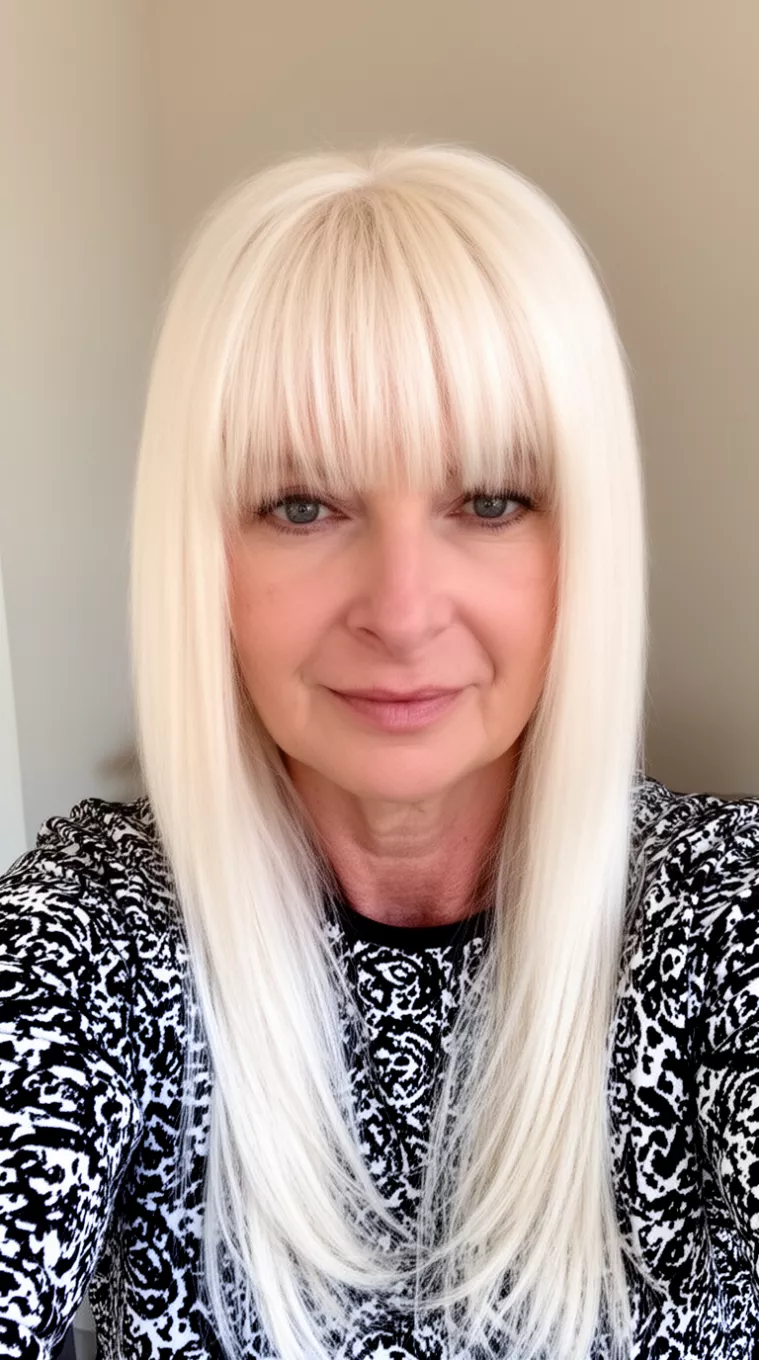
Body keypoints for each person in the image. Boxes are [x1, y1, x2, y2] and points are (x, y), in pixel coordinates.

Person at [0, 144, 757, 1360]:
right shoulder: (93, 936)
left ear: (585, 542)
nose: (402, 613)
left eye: (490, 501)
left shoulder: (717, 915)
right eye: (303, 506)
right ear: (204, 558)